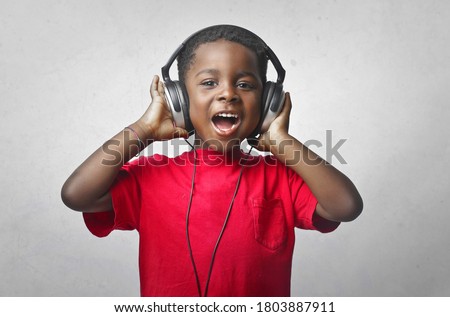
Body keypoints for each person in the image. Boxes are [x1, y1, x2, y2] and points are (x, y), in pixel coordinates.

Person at [61, 25, 363, 297]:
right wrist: (144, 130)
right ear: (180, 101)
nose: (228, 94)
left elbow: (345, 206)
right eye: (209, 83)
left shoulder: (281, 178)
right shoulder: (149, 178)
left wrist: (283, 143)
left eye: (245, 85)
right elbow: (77, 195)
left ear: (268, 103)